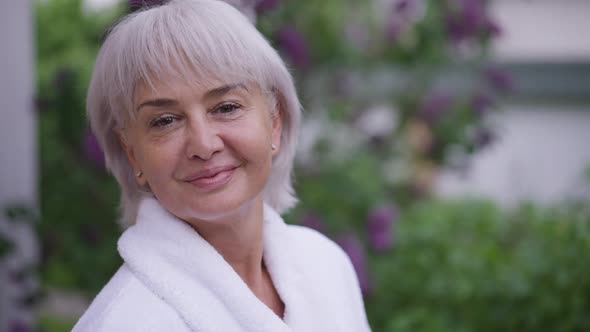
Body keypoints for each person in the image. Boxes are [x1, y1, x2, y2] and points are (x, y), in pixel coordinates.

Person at [73, 0, 371, 331]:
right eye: (165, 120)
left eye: (226, 107)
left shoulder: (326, 266)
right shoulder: (126, 322)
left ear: (274, 121)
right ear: (132, 154)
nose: (203, 144)